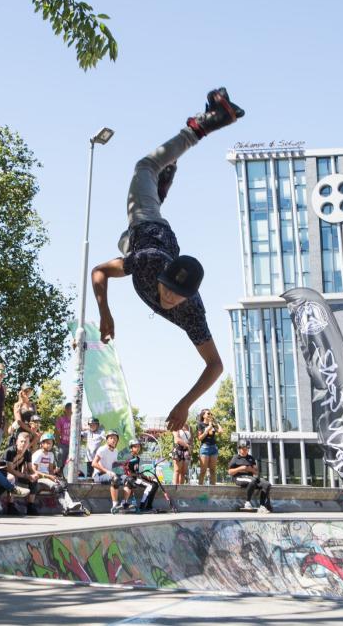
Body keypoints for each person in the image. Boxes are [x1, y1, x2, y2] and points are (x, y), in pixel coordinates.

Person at [90, 89, 242, 433]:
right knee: (145, 165)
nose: (169, 299)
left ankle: (162, 183)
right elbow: (99, 271)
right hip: (147, 225)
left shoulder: (192, 311)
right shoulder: (145, 263)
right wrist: (105, 313)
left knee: (126, 238)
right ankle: (205, 125)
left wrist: (185, 404)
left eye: (177, 296)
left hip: (152, 240)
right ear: (160, 278)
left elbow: (215, 366)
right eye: (168, 291)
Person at [0, 430, 40, 515]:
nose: (23, 443)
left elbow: (30, 468)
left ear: (28, 443)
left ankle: (30, 505)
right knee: (12, 478)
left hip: (17, 473)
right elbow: (9, 469)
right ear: (17, 441)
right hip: (3, 473)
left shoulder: (27, 452)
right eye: (21, 441)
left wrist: (34, 474)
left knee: (34, 480)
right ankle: (10, 505)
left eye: (26, 442)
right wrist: (26, 476)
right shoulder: (10, 451)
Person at [228, 440, 271, 513]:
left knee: (266, 484)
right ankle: (247, 502)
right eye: (243, 449)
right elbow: (230, 472)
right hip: (239, 478)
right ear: (239, 449)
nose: (245, 451)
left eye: (246, 449)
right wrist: (240, 468)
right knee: (252, 481)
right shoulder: (235, 458)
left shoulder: (251, 458)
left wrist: (251, 470)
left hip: (251, 478)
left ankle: (262, 506)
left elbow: (256, 471)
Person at [91, 430, 126, 512]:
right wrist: (107, 471)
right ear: (107, 440)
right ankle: (115, 505)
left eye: (115, 438)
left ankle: (124, 503)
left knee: (128, 479)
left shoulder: (116, 451)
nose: (113, 440)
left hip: (109, 475)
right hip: (98, 475)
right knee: (115, 479)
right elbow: (94, 463)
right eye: (111, 438)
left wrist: (122, 467)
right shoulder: (102, 449)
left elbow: (114, 465)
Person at [124, 439, 157, 511]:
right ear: (131, 448)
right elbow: (127, 472)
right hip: (130, 479)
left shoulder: (138, 458)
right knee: (151, 485)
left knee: (155, 484)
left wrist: (147, 477)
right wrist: (138, 475)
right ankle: (142, 506)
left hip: (137, 478)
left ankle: (147, 506)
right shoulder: (128, 457)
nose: (138, 448)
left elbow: (139, 472)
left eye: (139, 446)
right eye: (135, 446)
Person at [196, 409, 222, 485]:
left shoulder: (213, 425)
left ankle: (213, 488)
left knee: (213, 470)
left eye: (211, 413)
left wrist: (217, 423)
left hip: (214, 447)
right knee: (203, 470)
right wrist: (206, 430)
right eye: (208, 413)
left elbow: (220, 431)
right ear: (203, 415)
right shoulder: (200, 424)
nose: (210, 415)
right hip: (205, 448)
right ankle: (200, 488)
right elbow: (200, 438)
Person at [172, 420, 192, 485]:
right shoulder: (175, 426)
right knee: (177, 470)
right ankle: (174, 488)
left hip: (186, 450)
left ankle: (181, 488)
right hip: (178, 449)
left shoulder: (189, 427)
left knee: (183, 472)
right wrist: (187, 445)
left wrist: (189, 447)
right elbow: (177, 439)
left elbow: (191, 440)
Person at [55, 402, 72, 472]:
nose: (70, 410)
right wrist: (59, 445)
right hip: (63, 444)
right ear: (65, 409)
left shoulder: (76, 420)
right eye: (69, 408)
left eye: (71, 409)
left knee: (71, 462)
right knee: (60, 462)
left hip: (73, 445)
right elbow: (56, 433)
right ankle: (58, 473)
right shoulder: (61, 419)